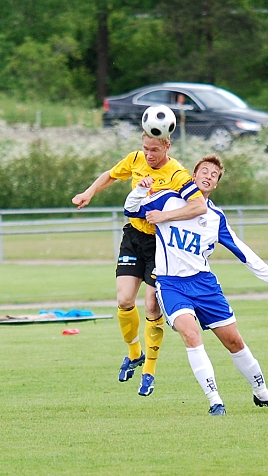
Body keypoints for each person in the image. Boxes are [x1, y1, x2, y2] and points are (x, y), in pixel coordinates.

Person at [123, 154, 268, 415]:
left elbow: (240, 249)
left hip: (204, 285)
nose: (208, 176)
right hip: (171, 285)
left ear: (215, 184)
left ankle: (263, 394)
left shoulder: (215, 217)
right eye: (204, 171)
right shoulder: (167, 199)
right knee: (191, 335)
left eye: (214, 175)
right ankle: (215, 401)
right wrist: (140, 190)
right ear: (193, 176)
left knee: (234, 341)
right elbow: (131, 209)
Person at [72, 132, 206, 396]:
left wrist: (165, 216)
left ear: (167, 146)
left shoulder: (177, 174)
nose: (148, 154)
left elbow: (198, 205)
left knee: (153, 306)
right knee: (124, 300)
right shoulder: (135, 159)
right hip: (133, 237)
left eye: (154, 150)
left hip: (161, 244)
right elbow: (111, 175)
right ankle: (135, 353)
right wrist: (89, 193)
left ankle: (149, 371)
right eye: (146, 148)